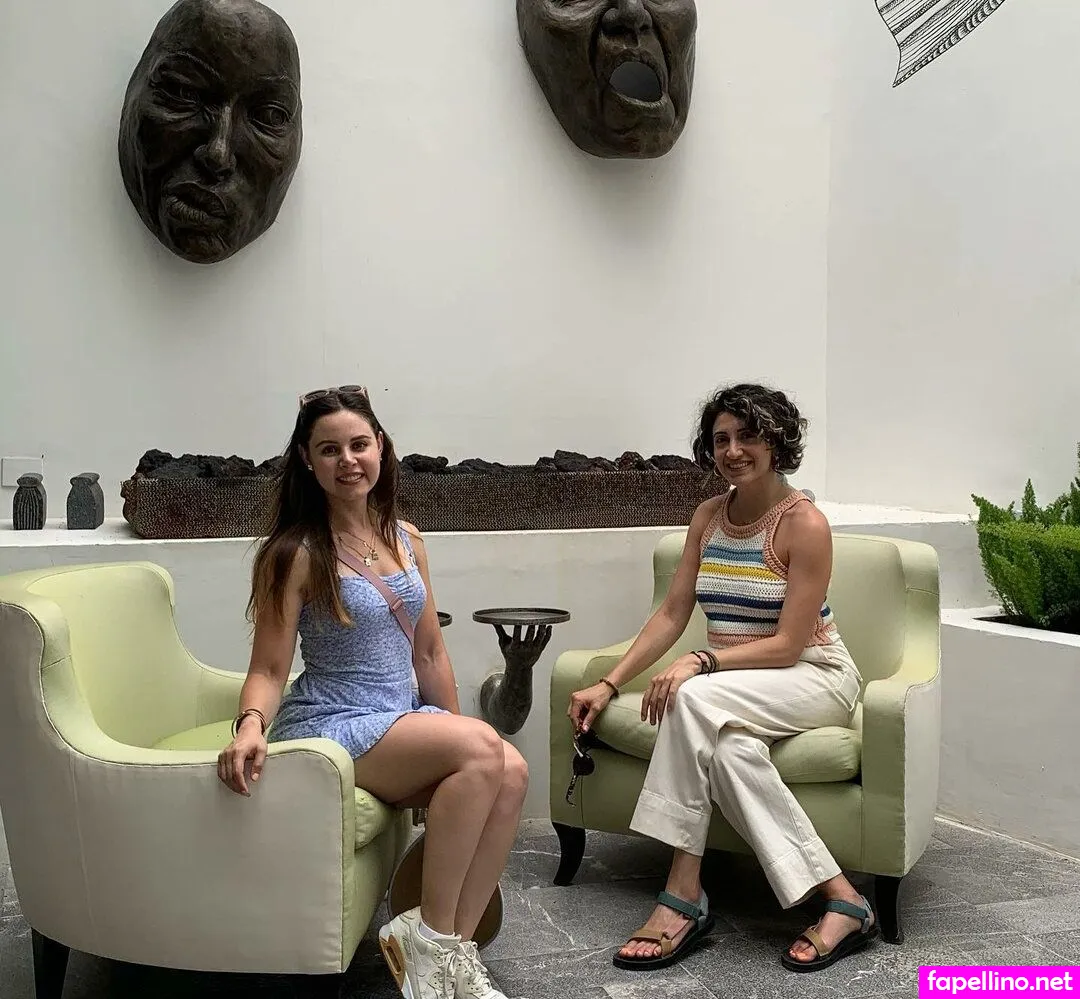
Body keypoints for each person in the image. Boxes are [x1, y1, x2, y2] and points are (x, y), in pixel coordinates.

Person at [217, 385, 526, 999]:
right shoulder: (295, 553)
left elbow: (429, 653)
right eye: (329, 449)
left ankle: (448, 959)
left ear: (381, 447)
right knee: (484, 751)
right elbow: (270, 668)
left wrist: (461, 735)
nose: (348, 460)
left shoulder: (406, 538)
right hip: (335, 720)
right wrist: (250, 724)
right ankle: (429, 943)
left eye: (359, 445)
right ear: (307, 460)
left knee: (509, 771)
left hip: (401, 716)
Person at [567, 383, 875, 973]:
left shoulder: (804, 524)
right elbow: (672, 613)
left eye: (748, 436)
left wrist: (701, 662)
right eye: (721, 439)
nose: (733, 451)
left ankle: (682, 890)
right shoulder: (709, 516)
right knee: (730, 753)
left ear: (778, 441)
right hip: (738, 686)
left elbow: (789, 645)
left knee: (690, 697)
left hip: (814, 675)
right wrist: (609, 683)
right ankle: (844, 898)